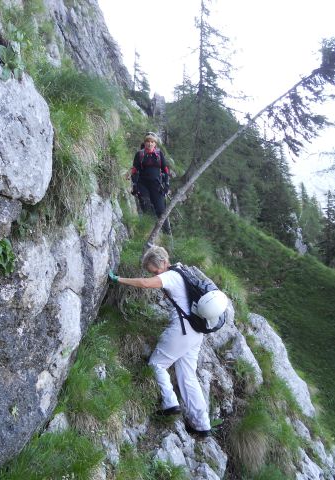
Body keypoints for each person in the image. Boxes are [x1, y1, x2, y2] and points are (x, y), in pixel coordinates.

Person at [108, 246, 211, 438]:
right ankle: (202, 424)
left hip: (182, 330)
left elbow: (146, 284)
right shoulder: (182, 271)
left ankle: (170, 403)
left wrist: (119, 279)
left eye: (154, 271)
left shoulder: (170, 275)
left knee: (157, 364)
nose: (154, 275)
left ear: (163, 263)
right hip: (197, 332)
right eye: (151, 272)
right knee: (188, 376)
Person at [131, 133, 171, 234]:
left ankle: (167, 234)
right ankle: (148, 230)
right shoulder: (139, 154)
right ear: (144, 143)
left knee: (161, 210)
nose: (150, 144)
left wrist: (166, 184)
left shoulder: (159, 154)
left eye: (152, 142)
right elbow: (135, 170)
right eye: (148, 142)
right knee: (146, 205)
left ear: (155, 144)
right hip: (142, 184)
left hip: (156, 185)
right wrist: (135, 185)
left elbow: (165, 169)